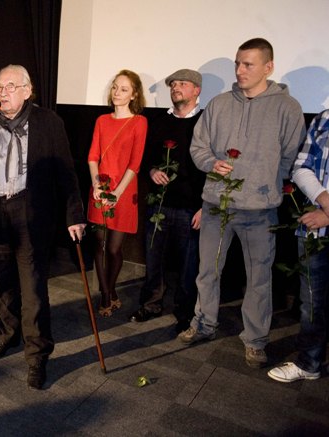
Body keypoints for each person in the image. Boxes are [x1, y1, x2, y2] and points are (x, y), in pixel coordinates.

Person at [179, 38, 306, 369]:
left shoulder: (287, 107)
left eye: (248, 64)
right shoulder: (220, 104)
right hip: (215, 206)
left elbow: (291, 156)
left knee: (259, 278)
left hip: (259, 211)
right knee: (208, 272)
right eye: (237, 63)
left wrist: (267, 185)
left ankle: (255, 340)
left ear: (268, 67)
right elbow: (198, 147)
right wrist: (211, 163)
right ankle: (204, 324)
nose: (240, 70)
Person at [0, 64, 86, 390]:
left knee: (32, 292)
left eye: (9, 87)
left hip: (31, 217)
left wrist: (74, 214)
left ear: (27, 91)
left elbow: (66, 172)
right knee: (1, 287)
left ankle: (38, 356)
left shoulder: (48, 123)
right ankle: (8, 335)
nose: (1, 93)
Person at [129, 69, 205, 333]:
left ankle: (185, 313)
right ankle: (151, 304)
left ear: (197, 90)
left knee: (188, 265)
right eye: (173, 84)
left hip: (191, 207)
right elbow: (147, 155)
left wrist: (205, 207)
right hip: (159, 204)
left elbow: (214, 168)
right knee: (154, 258)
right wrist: (151, 171)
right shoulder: (160, 121)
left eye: (182, 84)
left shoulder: (207, 122)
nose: (176, 88)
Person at [268, 109, 329, 382]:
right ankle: (309, 363)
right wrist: (325, 202)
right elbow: (301, 167)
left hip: (322, 217)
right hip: (315, 228)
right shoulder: (324, 119)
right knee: (312, 302)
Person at [87, 69, 148, 317]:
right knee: (99, 246)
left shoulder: (139, 122)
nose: (117, 93)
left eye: (123, 89)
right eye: (115, 87)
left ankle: (111, 290)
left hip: (123, 191)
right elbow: (92, 157)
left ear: (134, 94)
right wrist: (97, 187)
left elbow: (135, 163)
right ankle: (105, 294)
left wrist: (116, 193)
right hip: (99, 189)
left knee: (114, 249)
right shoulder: (102, 120)